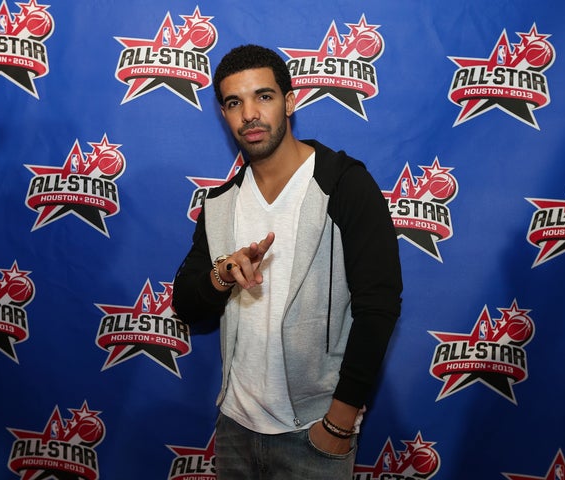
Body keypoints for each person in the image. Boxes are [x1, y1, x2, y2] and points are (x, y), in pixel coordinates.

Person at [172, 44, 402, 479]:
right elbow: (186, 303)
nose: (250, 114)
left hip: (314, 434)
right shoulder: (220, 204)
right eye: (234, 102)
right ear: (224, 115)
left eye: (264, 96)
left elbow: (379, 306)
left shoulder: (345, 185)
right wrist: (223, 274)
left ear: (290, 101)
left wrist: (338, 421)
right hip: (235, 427)